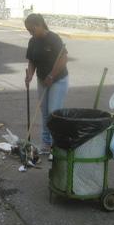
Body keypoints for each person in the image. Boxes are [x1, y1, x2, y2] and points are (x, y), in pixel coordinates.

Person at [24, 14, 69, 159]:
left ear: (39, 25)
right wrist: (30, 75)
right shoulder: (33, 41)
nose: (31, 33)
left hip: (58, 79)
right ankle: (46, 144)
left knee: (53, 113)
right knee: (44, 112)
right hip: (42, 79)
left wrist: (52, 76)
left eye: (32, 30)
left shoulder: (53, 39)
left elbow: (63, 59)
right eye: (28, 31)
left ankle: (57, 147)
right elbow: (32, 61)